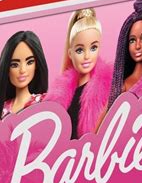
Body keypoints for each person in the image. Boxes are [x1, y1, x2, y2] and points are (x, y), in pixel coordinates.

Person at [47, 8, 113, 139]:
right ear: (70, 53)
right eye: (79, 50)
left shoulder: (107, 89)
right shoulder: (60, 95)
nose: (87, 56)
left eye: (93, 48)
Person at [0, 31, 48, 119]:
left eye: (29, 62)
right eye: (14, 65)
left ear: (37, 65)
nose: (22, 70)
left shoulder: (44, 102)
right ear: (6, 69)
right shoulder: (2, 110)